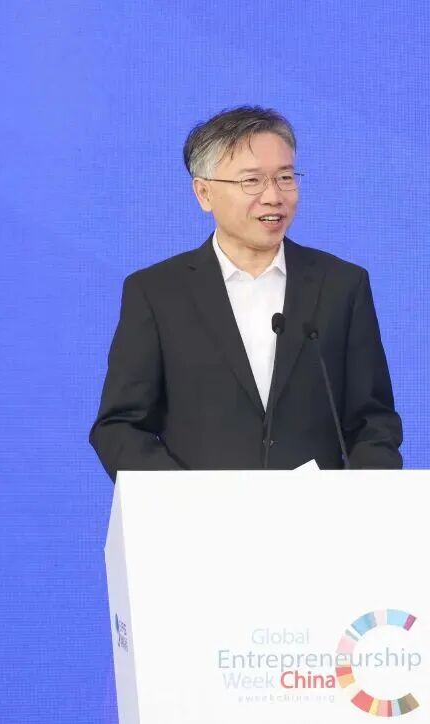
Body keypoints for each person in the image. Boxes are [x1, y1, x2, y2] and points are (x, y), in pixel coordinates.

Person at [90, 106, 402, 481]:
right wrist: (183, 499)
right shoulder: (157, 292)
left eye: (285, 177)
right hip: (198, 515)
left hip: (317, 516)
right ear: (204, 193)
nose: (274, 196)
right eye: (251, 181)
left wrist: (364, 497)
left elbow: (372, 421)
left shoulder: (341, 285)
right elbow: (120, 427)